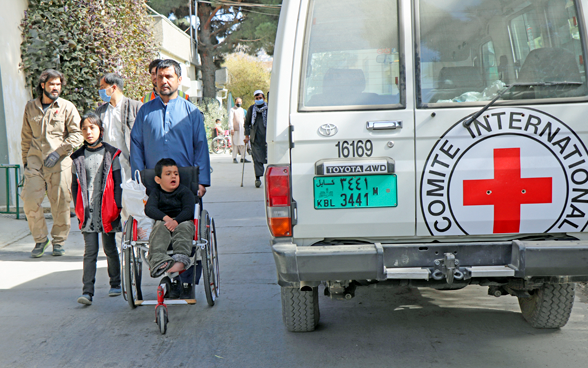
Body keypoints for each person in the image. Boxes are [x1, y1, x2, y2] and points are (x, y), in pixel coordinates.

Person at [21, 69, 83, 257]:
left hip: (60, 162)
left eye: (58, 84)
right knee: (29, 200)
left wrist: (60, 152)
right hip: (35, 162)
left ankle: (58, 241)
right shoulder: (30, 107)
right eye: (52, 84)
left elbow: (77, 134)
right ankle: (41, 239)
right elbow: (25, 136)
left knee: (61, 203)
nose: (56, 88)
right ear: (43, 85)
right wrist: (25, 161)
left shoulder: (67, 107)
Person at [131, 59, 210, 196]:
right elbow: (136, 144)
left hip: (185, 180)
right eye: (160, 77)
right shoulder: (145, 111)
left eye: (168, 77)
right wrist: (138, 178)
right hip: (153, 182)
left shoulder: (191, 112)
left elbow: (200, 146)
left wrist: (201, 181)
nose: (163, 81)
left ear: (179, 80)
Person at [71, 112, 123, 305]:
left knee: (110, 248)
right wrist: (78, 209)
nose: (88, 132)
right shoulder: (77, 157)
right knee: (90, 251)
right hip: (88, 211)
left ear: (100, 130)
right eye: (84, 128)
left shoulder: (111, 153)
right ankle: (87, 292)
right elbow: (74, 186)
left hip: (108, 210)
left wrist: (117, 206)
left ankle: (116, 283)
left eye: (92, 128)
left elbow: (118, 182)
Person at [144, 158, 196, 277]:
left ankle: (181, 259)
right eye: (168, 174)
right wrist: (166, 218)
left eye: (176, 174)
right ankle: (158, 259)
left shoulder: (184, 191)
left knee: (185, 227)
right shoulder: (156, 193)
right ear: (158, 179)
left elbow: (189, 210)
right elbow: (150, 209)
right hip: (164, 221)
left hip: (182, 220)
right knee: (159, 227)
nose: (173, 176)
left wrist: (176, 221)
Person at [95, 73, 142, 181]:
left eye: (102, 87)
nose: (100, 91)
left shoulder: (135, 107)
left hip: (130, 165)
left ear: (114, 87)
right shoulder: (100, 111)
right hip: (108, 166)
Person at [244, 90, 268, 188]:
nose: (258, 100)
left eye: (260, 98)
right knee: (256, 159)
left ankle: (269, 177)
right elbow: (247, 123)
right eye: (256, 98)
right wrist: (247, 135)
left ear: (264, 98)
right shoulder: (251, 109)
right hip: (255, 139)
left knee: (268, 158)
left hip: (267, 138)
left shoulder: (269, 109)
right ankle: (257, 178)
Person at [229, 97, 249, 164]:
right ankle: (234, 157)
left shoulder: (242, 110)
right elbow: (231, 119)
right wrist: (231, 128)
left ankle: (243, 157)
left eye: (240, 102)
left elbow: (244, 118)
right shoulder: (232, 110)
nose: (239, 103)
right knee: (235, 143)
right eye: (238, 102)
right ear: (235, 102)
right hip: (235, 129)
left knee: (243, 143)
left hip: (242, 129)